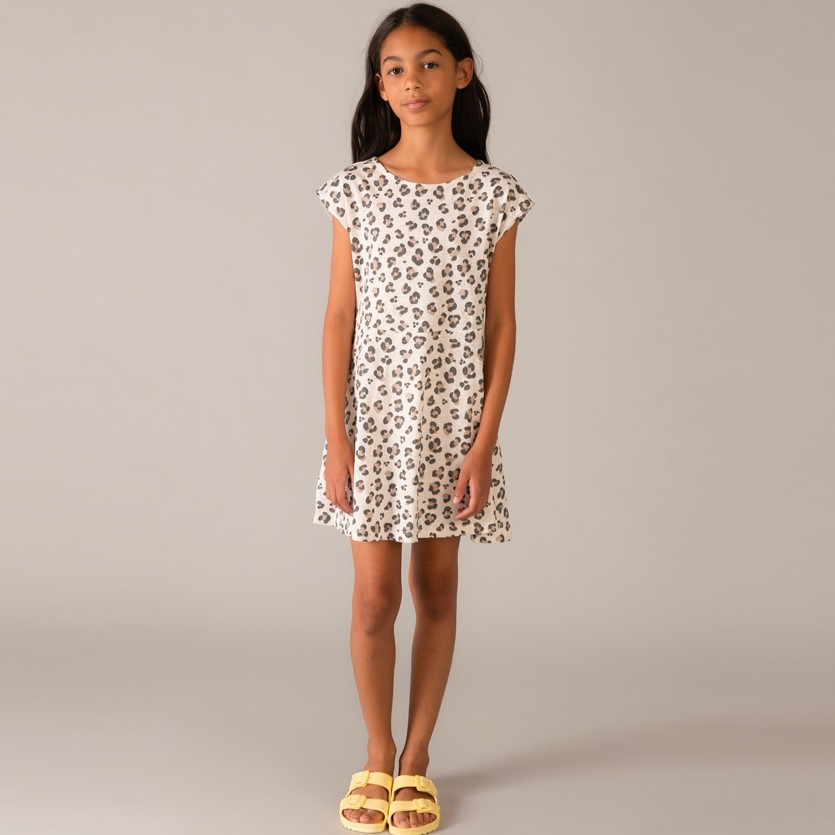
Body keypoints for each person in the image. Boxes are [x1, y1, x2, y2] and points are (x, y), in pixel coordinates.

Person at [311, 4, 535, 833]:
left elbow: (501, 325)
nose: (413, 81)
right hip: (372, 424)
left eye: (430, 63)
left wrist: (484, 442)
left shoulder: (493, 196)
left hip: (451, 426)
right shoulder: (355, 190)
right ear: (380, 86)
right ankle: (375, 752)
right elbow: (338, 317)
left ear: (462, 73)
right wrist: (336, 439)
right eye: (395, 68)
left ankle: (415, 759)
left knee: (434, 587)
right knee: (374, 598)